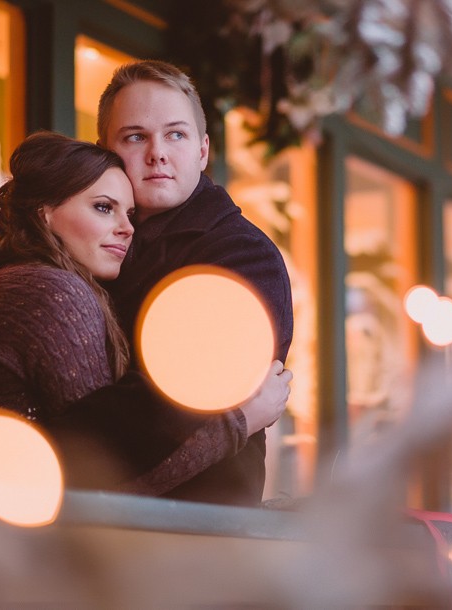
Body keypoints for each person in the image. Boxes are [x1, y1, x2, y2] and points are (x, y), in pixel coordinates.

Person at [0, 131, 290, 494]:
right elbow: (102, 479)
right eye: (104, 207)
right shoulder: (56, 294)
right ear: (44, 214)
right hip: (21, 539)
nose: (127, 228)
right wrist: (240, 420)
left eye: (130, 213)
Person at [90, 59, 295, 505]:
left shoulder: (242, 255)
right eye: (135, 136)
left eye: (175, 134)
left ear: (203, 151)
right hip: (93, 526)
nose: (157, 152)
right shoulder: (90, 243)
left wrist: (44, 434)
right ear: (106, 151)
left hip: (196, 528)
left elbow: (170, 406)